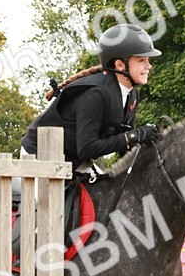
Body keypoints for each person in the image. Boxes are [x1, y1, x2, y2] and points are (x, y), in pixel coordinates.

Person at [21, 23, 163, 170]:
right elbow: (87, 148)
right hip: (39, 157)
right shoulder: (96, 94)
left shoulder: (132, 94)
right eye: (141, 60)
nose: (149, 66)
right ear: (120, 65)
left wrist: (146, 141)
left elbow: (124, 147)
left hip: (74, 161)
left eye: (148, 60)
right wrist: (132, 137)